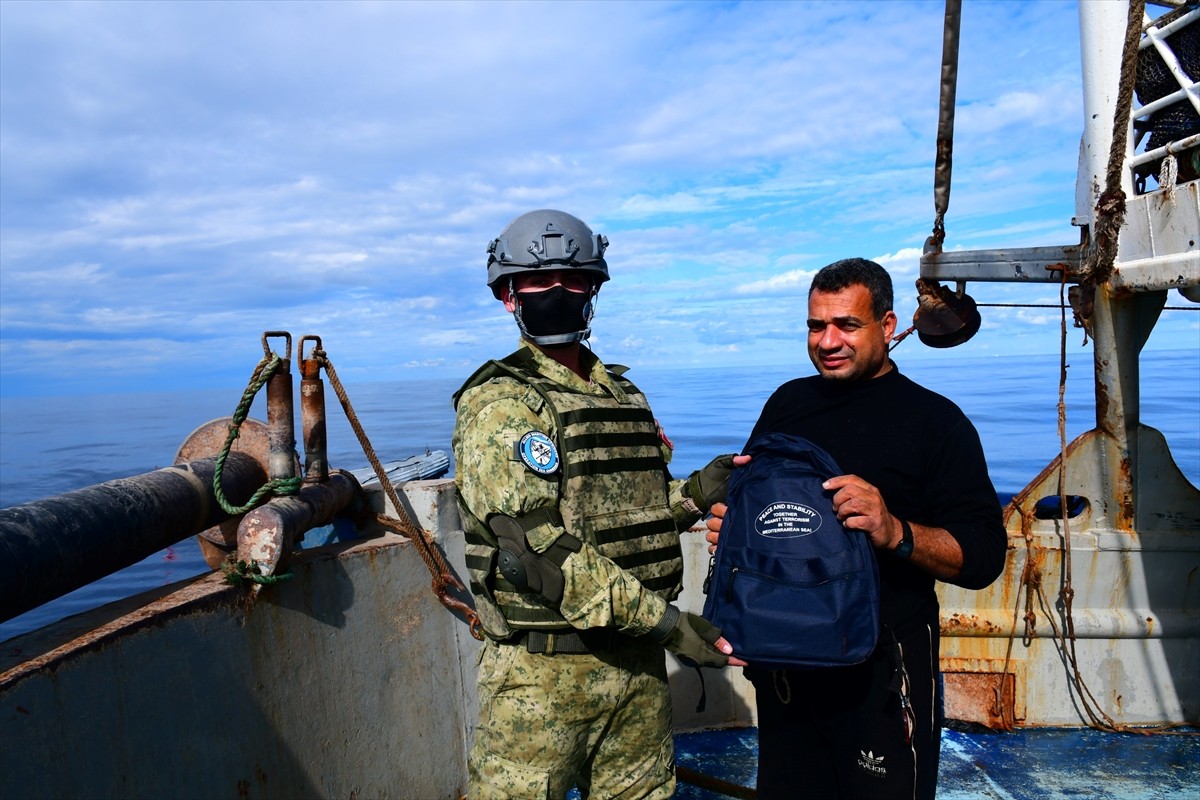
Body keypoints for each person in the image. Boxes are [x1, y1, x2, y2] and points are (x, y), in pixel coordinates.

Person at [452, 209, 739, 799]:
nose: (556, 292)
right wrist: (667, 625)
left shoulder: (621, 393)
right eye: (537, 281)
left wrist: (695, 493)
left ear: (594, 289)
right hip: (540, 681)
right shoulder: (501, 401)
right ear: (509, 295)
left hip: (636, 674)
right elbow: (534, 551)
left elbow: (628, 515)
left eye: (573, 278)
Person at [706, 257, 1006, 800]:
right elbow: (755, 506)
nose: (828, 341)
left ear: (887, 327)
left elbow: (984, 556)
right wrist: (734, 532)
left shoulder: (936, 423)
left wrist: (895, 530)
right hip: (787, 667)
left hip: (884, 670)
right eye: (816, 326)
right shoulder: (788, 402)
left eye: (847, 325)